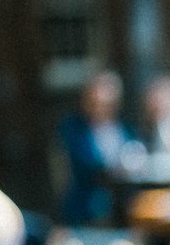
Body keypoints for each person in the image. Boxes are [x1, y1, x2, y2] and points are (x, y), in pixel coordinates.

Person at [56, 70, 139, 226]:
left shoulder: (125, 127)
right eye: (95, 101)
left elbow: (136, 152)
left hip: (124, 196)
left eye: (106, 103)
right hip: (89, 197)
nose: (100, 107)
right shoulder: (74, 128)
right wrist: (114, 167)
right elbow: (82, 163)